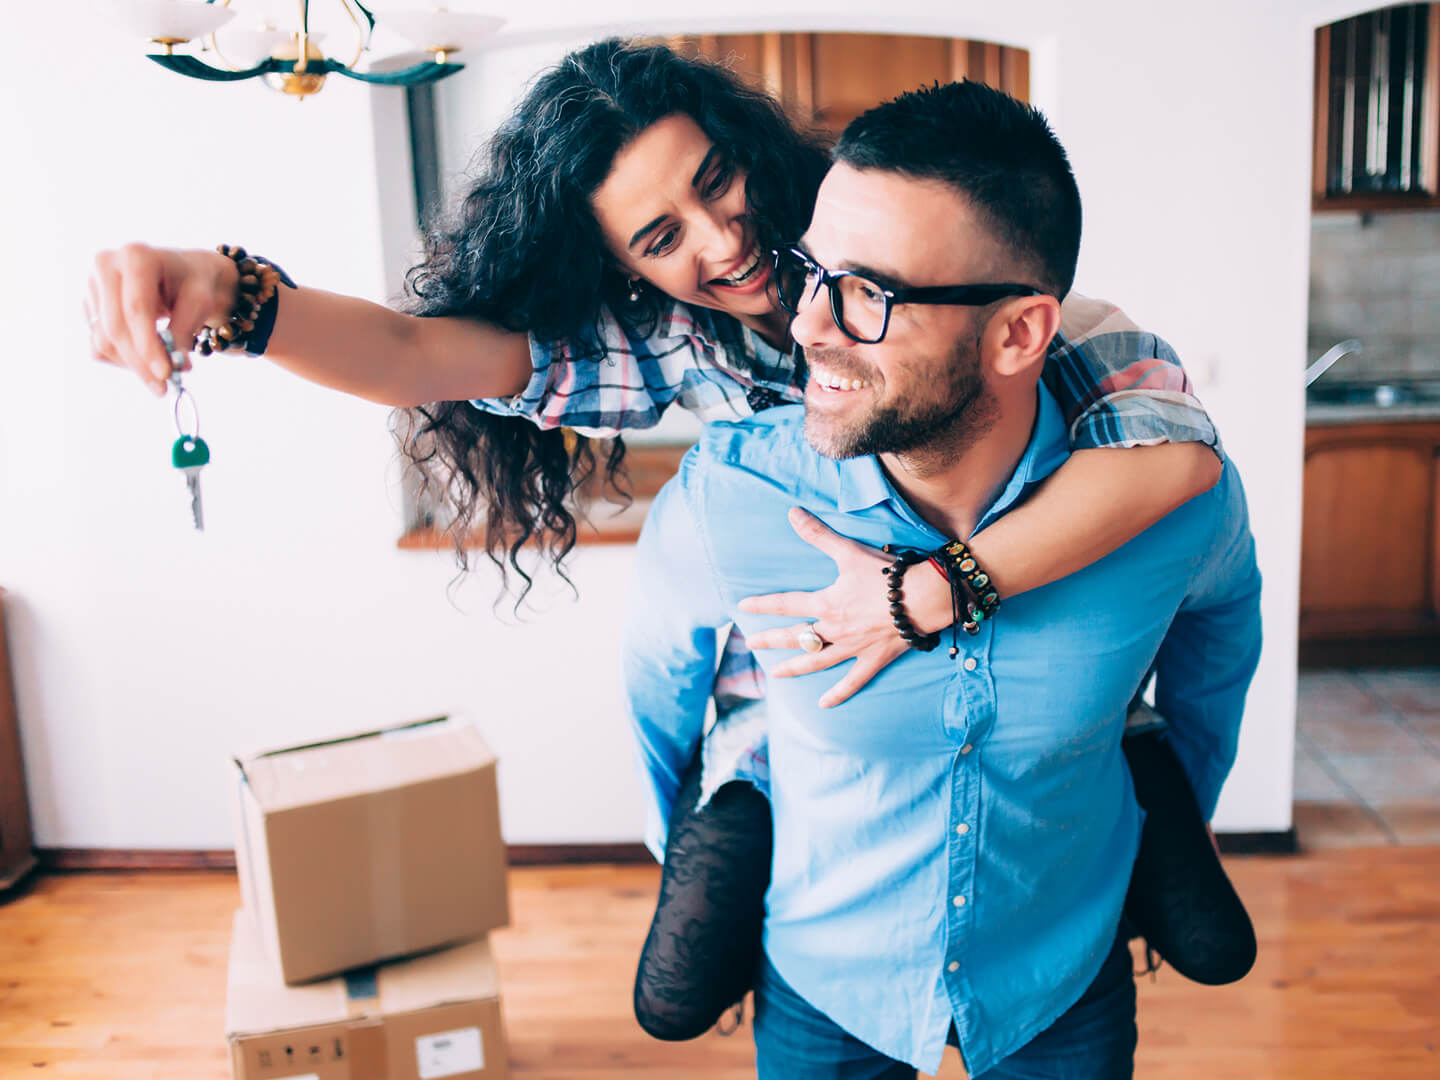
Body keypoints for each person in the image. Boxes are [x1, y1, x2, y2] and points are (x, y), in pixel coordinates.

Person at [83, 38, 1250, 1043]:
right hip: (798, 694)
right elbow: (406, 351)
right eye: (661, 235)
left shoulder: (986, 297)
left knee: (1171, 880)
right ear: (625, 269)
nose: (722, 235)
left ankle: (1130, 765)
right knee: (686, 970)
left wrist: (936, 591)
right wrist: (237, 298)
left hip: (1017, 647)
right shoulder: (677, 349)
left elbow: (1183, 459)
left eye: (718, 178)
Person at [622, 78, 1263, 1077]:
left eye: (869, 295)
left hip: (1059, 967)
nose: (809, 328)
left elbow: (1223, 633)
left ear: (1020, 333)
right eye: (813, 275)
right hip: (828, 974)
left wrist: (1179, 811)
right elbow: (660, 707)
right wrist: (695, 873)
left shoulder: (1171, 504)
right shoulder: (728, 504)